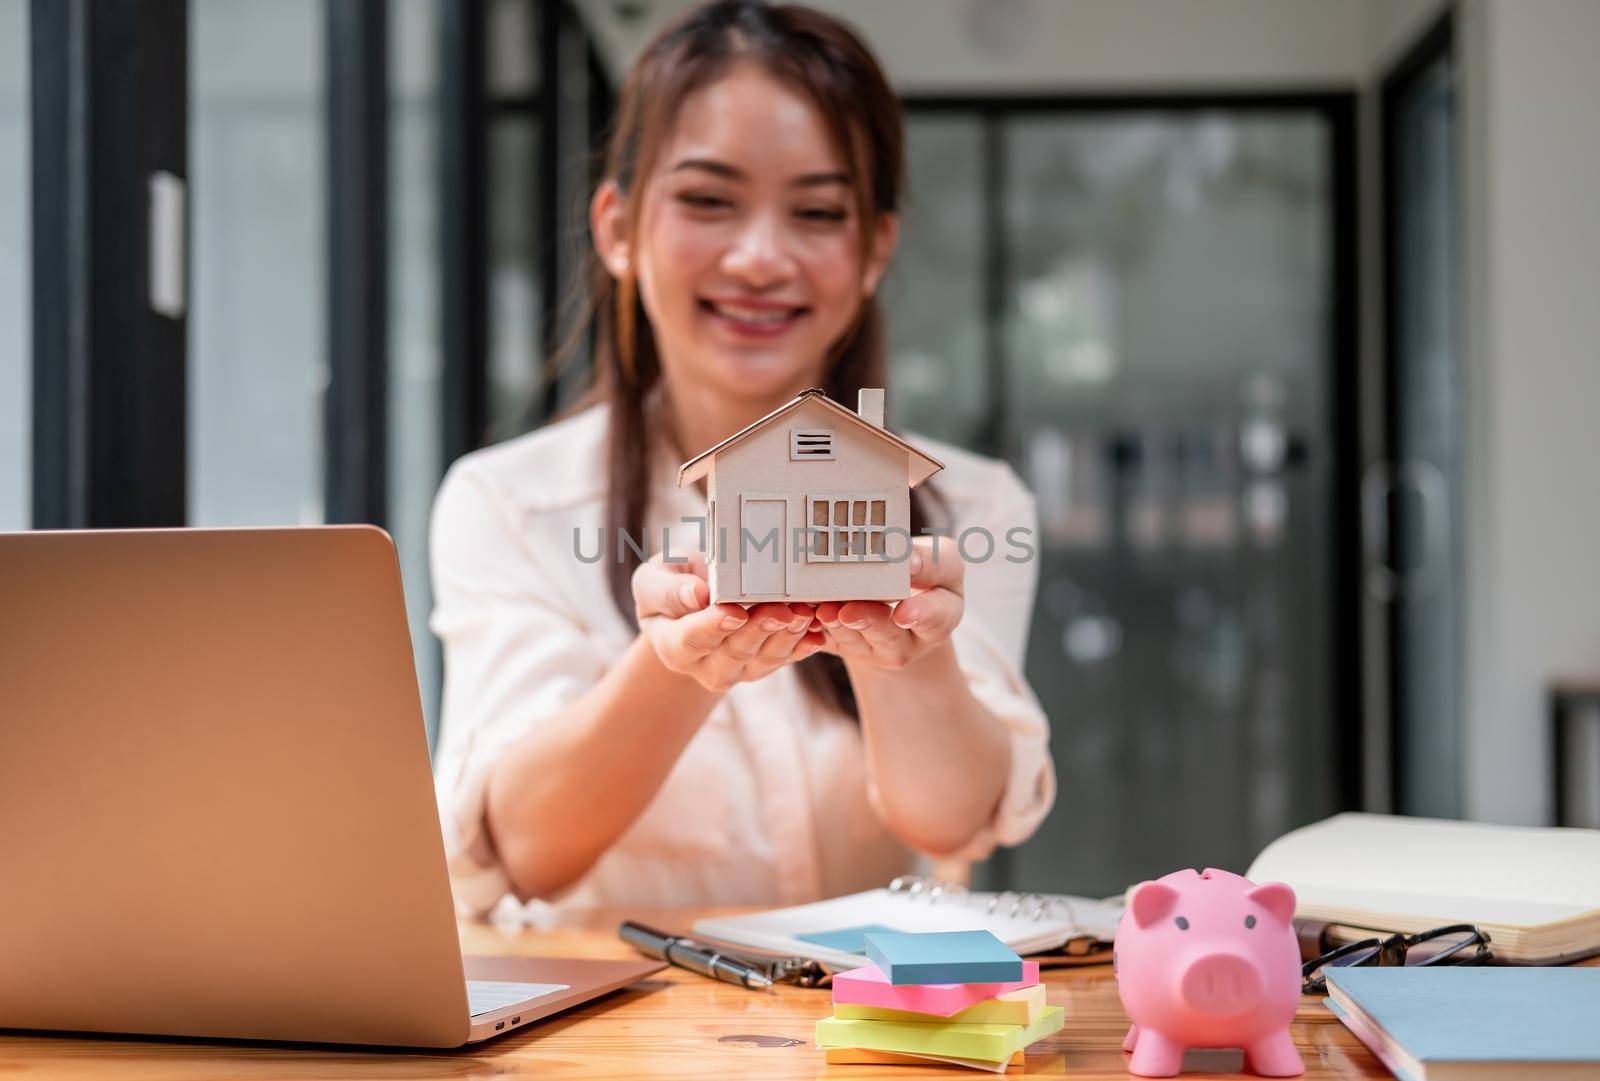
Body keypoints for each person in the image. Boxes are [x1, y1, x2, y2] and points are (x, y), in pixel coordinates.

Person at [430, 0, 1055, 918]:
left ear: (875, 247)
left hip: (860, 1037)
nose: (760, 258)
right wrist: (681, 664)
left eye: (816, 211)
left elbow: (953, 823)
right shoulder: (507, 502)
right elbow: (521, 849)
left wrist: (907, 653)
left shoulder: (973, 507)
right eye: (709, 200)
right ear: (616, 229)